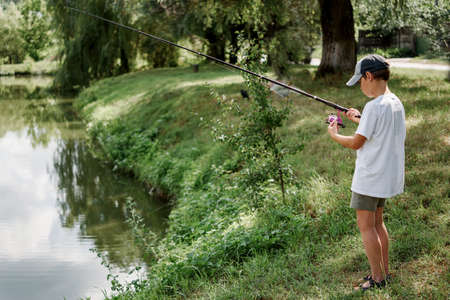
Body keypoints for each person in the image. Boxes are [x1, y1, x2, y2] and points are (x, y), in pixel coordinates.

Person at [327, 54, 406, 291]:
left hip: (369, 178)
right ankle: (384, 272)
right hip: (385, 177)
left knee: (366, 226)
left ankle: (377, 279)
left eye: (360, 80)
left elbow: (356, 143)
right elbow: (378, 130)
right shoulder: (394, 102)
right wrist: (360, 118)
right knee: (378, 224)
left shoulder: (373, 107)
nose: (360, 85)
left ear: (369, 76)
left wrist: (334, 135)